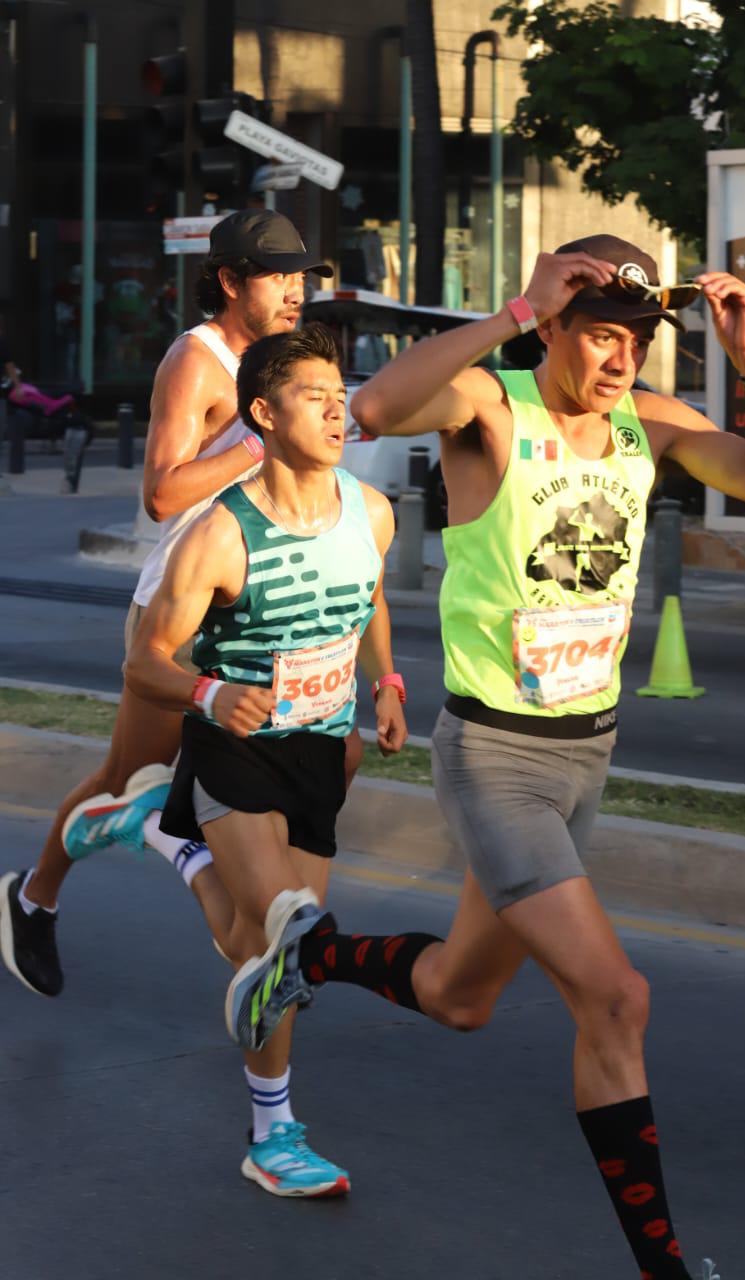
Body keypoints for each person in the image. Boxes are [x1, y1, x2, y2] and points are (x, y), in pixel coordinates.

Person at [207, 236, 745, 1273]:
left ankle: (303, 956)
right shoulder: (490, 406)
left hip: (587, 753)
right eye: (598, 333)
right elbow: (370, 411)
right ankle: (665, 1263)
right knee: (616, 996)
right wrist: (508, 312)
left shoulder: (651, 424)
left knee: (461, 994)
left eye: (634, 338)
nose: (621, 357)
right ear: (553, 323)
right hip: (495, 757)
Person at [0, 209, 363, 1193]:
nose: (294, 294)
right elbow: (162, 493)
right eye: (278, 279)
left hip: (267, 614)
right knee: (125, 776)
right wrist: (259, 442)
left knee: (240, 846)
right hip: (183, 613)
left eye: (303, 279)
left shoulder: (294, 362)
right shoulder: (198, 362)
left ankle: (262, 1048)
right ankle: (33, 896)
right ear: (231, 281)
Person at [125, 322, 407, 1195]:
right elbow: (145, 662)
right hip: (235, 750)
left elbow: (369, 599)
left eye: (340, 390)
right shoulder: (218, 535)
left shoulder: (372, 511)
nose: (338, 408)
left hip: (323, 753)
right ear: (261, 413)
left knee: (267, 953)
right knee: (286, 926)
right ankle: (274, 1135)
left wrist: (386, 682)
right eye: (314, 395)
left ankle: (164, 839)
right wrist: (208, 695)